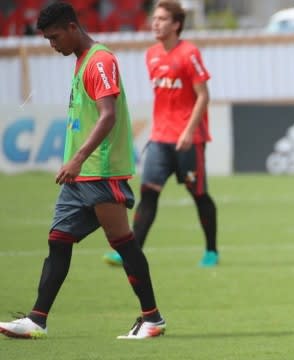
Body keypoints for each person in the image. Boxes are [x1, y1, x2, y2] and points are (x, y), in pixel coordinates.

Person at [0, 2, 166, 339]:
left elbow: (108, 116)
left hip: (100, 171)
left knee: (123, 243)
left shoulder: (100, 61)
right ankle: (37, 319)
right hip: (81, 176)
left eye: (55, 36)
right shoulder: (81, 62)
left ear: (73, 28)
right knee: (58, 241)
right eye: (48, 39)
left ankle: (152, 319)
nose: (52, 44)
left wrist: (78, 158)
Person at [103, 0, 218, 268]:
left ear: (176, 24)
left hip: (189, 140)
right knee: (149, 192)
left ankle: (211, 250)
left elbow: (203, 96)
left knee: (198, 194)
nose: (155, 23)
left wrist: (189, 131)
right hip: (160, 138)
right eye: (154, 18)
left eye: (162, 19)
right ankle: (130, 252)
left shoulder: (189, 53)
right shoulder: (151, 54)